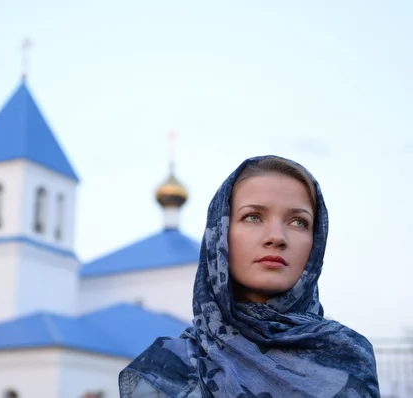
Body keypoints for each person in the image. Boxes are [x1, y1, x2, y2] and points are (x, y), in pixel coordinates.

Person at [119, 155, 379, 398]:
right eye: (253, 217)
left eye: (299, 222)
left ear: (317, 241)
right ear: (220, 234)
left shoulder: (350, 357)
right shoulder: (167, 368)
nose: (276, 236)